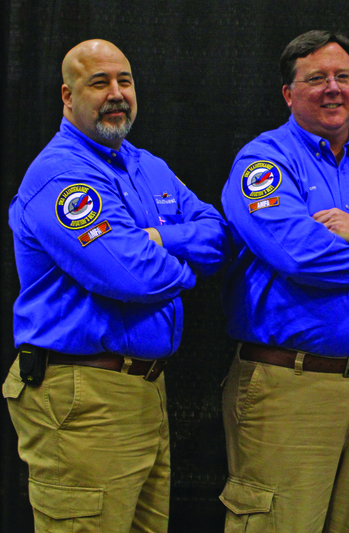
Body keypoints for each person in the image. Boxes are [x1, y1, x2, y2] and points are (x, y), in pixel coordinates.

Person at [3, 39, 228, 533]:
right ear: (67, 95)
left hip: (144, 392)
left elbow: (218, 236)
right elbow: (131, 275)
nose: (116, 94)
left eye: (124, 81)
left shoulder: (149, 167)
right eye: (99, 83)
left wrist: (162, 239)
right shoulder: (62, 175)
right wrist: (186, 271)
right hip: (84, 396)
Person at [219, 30, 349, 533]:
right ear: (288, 93)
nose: (333, 88)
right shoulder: (264, 163)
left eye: (343, 76)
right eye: (316, 78)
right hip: (291, 387)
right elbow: (299, 255)